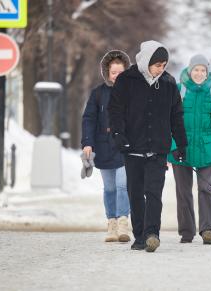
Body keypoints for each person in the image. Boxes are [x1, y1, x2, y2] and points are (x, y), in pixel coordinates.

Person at [108, 40, 187, 252]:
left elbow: (176, 116)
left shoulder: (169, 83)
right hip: (132, 148)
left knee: (153, 193)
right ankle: (140, 235)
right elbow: (115, 111)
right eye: (157, 65)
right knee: (135, 193)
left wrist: (181, 144)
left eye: (164, 65)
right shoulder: (126, 80)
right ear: (146, 62)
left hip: (158, 149)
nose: (161, 69)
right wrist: (119, 135)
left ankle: (152, 234)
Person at [168, 54, 211, 245]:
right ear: (190, 71)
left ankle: (208, 229)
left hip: (206, 149)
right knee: (183, 192)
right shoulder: (178, 91)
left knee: (206, 189)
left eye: (203, 70)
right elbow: (167, 122)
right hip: (180, 149)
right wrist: (173, 147)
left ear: (207, 72)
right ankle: (187, 231)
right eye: (196, 70)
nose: (199, 73)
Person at [81, 50, 131, 243]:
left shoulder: (132, 93)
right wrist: (87, 143)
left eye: (121, 72)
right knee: (109, 188)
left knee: (122, 185)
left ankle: (123, 222)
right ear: (107, 73)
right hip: (103, 147)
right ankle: (111, 223)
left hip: (125, 147)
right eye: (113, 73)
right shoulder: (98, 94)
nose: (117, 76)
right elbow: (89, 119)